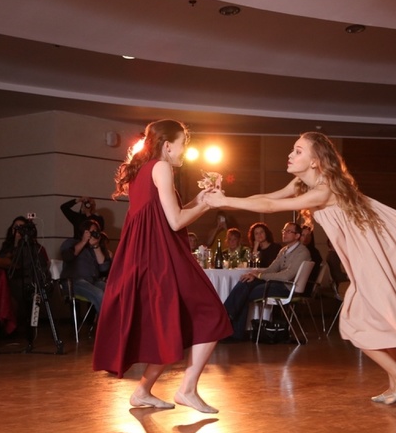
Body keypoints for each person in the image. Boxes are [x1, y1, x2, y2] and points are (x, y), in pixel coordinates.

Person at [205, 132, 396, 404]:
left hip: (370, 258)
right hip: (362, 258)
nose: (290, 155)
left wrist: (224, 202)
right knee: (383, 321)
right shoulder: (303, 184)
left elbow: (269, 206)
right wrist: (224, 198)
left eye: (298, 151)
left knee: (354, 324)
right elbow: (265, 198)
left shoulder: (325, 189)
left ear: (315, 160)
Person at [92, 119, 231, 414]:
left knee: (168, 323)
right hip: (161, 256)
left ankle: (144, 392)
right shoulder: (162, 168)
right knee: (211, 313)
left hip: (149, 256)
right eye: (183, 145)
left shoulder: (145, 169)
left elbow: (169, 214)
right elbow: (176, 222)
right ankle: (186, 389)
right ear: (168, 145)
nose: (185, 151)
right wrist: (208, 205)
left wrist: (201, 199)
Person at [222, 222, 311, 342]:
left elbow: (287, 275)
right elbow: (272, 269)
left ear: (297, 236)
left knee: (245, 292)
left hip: (287, 287)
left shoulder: (302, 252)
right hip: (276, 283)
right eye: (284, 231)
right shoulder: (284, 250)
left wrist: (259, 275)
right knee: (245, 282)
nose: (284, 233)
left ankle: (227, 321)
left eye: (288, 231)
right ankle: (228, 318)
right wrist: (254, 274)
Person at [0, 216, 51, 330]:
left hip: (27, 281)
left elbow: (16, 264)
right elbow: (1, 262)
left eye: (21, 228)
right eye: (16, 227)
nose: (18, 231)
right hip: (8, 280)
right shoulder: (7, 246)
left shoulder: (34, 248)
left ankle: (8, 326)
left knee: (10, 291)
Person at [60, 218, 111, 313]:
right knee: (99, 294)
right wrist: (83, 241)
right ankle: (107, 321)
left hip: (93, 281)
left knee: (114, 291)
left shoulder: (95, 247)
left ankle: (116, 319)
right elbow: (67, 256)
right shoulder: (71, 242)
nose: (94, 234)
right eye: (92, 232)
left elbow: (104, 268)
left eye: (96, 232)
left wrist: (96, 246)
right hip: (73, 281)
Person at [299, 224, 323, 295]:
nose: (305, 238)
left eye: (308, 235)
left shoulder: (314, 253)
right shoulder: (297, 250)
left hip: (304, 285)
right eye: (303, 235)